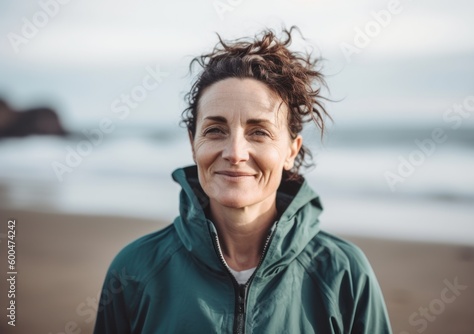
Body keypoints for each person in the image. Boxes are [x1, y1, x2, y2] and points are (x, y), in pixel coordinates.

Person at [94, 27, 392, 334]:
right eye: (215, 130)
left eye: (259, 132)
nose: (235, 153)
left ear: (291, 150)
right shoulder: (134, 271)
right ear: (192, 141)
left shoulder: (343, 274)